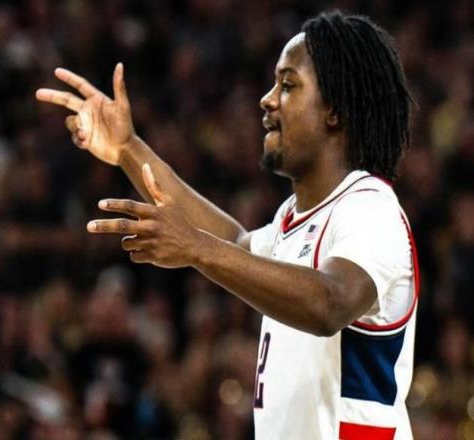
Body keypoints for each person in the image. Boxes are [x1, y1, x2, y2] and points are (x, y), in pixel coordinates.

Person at [36, 10, 418, 440]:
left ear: (335, 109)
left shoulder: (370, 207)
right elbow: (233, 243)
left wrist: (197, 248)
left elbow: (331, 302)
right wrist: (127, 149)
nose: (267, 100)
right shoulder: (295, 219)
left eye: (288, 85)